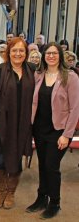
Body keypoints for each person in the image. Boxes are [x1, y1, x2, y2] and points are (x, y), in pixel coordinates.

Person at [26, 42, 79, 219]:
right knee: (42, 164)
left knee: (51, 166)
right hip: (40, 128)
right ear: (43, 56)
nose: (51, 56)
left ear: (60, 56)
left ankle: (54, 202)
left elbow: (75, 108)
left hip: (59, 131)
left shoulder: (70, 77)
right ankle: (42, 198)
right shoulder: (38, 74)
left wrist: (67, 134)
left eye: (55, 53)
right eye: (48, 53)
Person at [0, 37, 35, 210]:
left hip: (23, 123)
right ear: (8, 52)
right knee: (1, 159)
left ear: (26, 53)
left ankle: (11, 192)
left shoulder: (32, 69)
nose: (17, 54)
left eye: (21, 50)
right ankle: (1, 191)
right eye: (14, 50)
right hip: (3, 123)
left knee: (17, 158)